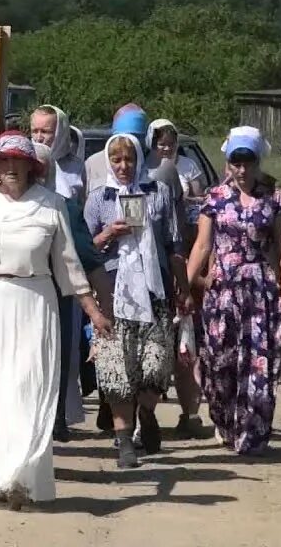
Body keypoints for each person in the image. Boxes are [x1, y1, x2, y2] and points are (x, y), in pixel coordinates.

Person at [0, 131, 98, 510]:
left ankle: (18, 477)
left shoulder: (51, 205)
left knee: (28, 388)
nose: (12, 168)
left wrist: (93, 310)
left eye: (19, 161)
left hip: (34, 302)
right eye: (5, 162)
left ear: (31, 166)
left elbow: (68, 264)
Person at [186, 127, 281, 456]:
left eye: (248, 162)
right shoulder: (215, 198)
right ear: (229, 162)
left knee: (259, 362)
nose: (243, 169)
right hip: (223, 291)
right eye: (237, 162)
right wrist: (187, 286)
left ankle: (254, 434)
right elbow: (203, 245)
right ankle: (225, 422)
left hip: (260, 288)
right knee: (221, 363)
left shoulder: (274, 197)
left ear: (257, 161)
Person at [84, 133, 188, 467]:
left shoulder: (159, 193)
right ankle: (125, 440)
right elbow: (85, 251)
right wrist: (108, 234)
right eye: (116, 160)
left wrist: (181, 290)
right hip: (113, 291)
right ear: (108, 163)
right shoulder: (99, 199)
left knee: (154, 366)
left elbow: (174, 246)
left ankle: (147, 411)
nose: (123, 166)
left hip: (154, 290)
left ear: (139, 160)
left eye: (129, 159)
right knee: (117, 368)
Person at [33, 142, 113, 443]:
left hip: (57, 300)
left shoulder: (64, 208)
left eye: (43, 169)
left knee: (55, 364)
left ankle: (55, 421)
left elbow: (89, 262)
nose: (37, 175)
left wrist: (102, 308)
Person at [148, 118, 206, 437]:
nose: (164, 145)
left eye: (168, 140)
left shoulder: (180, 167)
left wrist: (184, 280)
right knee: (154, 347)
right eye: (158, 140)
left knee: (185, 341)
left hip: (178, 259)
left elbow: (189, 217)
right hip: (151, 270)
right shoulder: (132, 171)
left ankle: (190, 414)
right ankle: (146, 414)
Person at [29, 105, 86, 204]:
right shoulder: (23, 164)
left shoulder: (77, 168)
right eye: (35, 131)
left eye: (45, 132)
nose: (38, 138)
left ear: (60, 133)